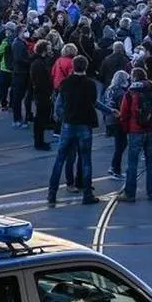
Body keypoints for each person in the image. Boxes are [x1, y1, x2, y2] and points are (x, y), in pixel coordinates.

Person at [47, 55, 99, 205]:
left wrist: (64, 118)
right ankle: (87, 194)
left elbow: (58, 105)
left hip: (69, 123)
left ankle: (52, 194)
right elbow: (94, 102)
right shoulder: (90, 84)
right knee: (86, 160)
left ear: (73, 67)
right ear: (86, 67)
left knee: (60, 159)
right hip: (85, 124)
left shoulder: (65, 83)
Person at [117, 67, 152, 203]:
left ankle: (130, 193)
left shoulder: (131, 92)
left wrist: (126, 128)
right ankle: (151, 192)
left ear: (134, 77)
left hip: (136, 130)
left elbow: (124, 112)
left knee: (132, 163)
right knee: (151, 162)